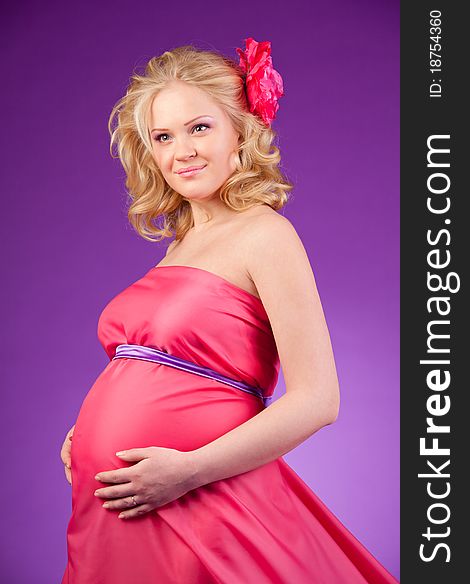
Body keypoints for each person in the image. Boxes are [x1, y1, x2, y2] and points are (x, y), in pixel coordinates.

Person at [60, 38, 398, 583]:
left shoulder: (264, 233)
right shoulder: (180, 247)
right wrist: (89, 430)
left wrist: (188, 470)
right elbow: (161, 367)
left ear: (240, 130)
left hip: (198, 500)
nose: (182, 151)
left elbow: (319, 400)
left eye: (200, 127)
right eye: (162, 137)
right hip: (123, 504)